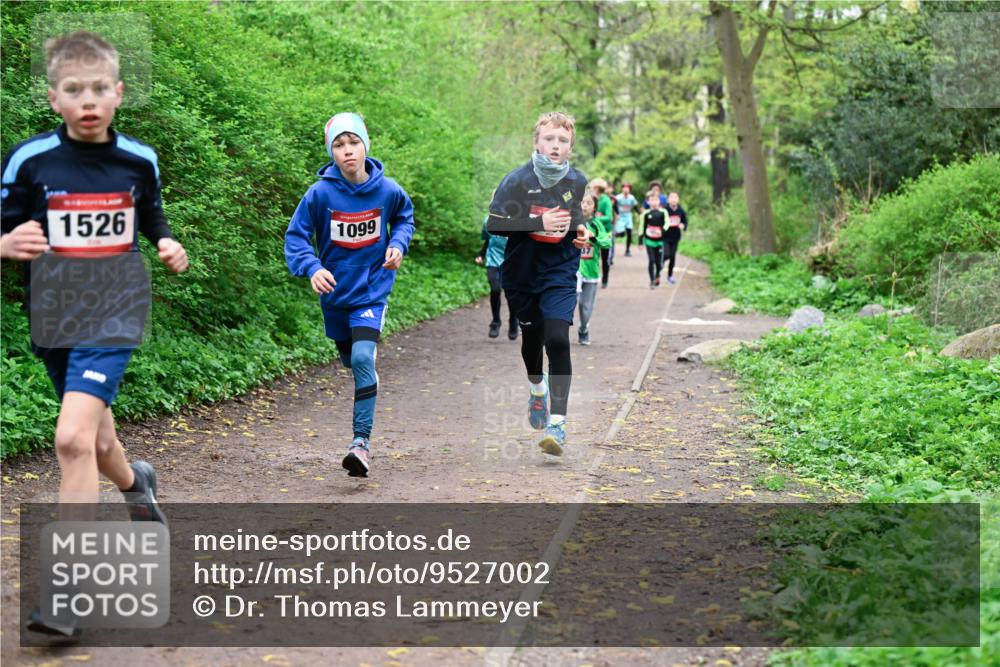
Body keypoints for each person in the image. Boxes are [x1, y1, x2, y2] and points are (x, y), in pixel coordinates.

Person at [1, 31, 188, 637]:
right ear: (54, 97)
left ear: (118, 93)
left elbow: (151, 208)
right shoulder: (29, 162)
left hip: (116, 309)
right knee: (99, 446)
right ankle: (139, 487)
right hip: (54, 316)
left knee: (71, 440)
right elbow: (4, 228)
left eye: (99, 89)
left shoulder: (139, 159)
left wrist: (163, 240)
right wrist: (7, 243)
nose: (88, 100)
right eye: (73, 89)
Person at [285, 112, 415, 478]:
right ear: (332, 152)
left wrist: (399, 245)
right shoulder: (320, 194)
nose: (347, 151)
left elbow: (405, 217)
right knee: (352, 360)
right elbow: (296, 236)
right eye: (339, 145)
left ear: (365, 146)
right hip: (336, 295)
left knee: (362, 358)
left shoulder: (387, 190)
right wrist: (312, 267)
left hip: (373, 291)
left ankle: (361, 443)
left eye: (353, 142)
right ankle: (365, 376)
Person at [486, 111, 592, 456]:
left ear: (570, 147)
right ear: (537, 142)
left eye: (563, 141)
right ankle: (536, 390)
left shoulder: (576, 181)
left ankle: (557, 425)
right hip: (521, 275)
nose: (555, 146)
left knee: (558, 340)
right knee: (531, 342)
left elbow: (575, 218)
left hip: (560, 272)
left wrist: (582, 233)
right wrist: (537, 221)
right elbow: (494, 225)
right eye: (549, 139)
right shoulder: (516, 180)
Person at [475, 206, 518, 340]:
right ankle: (495, 322)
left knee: (511, 294)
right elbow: (488, 240)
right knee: (495, 289)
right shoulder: (488, 221)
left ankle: (513, 322)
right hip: (493, 261)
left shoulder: (515, 222)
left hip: (510, 263)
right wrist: (481, 254)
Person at [576, 190, 611, 345]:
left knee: (585, 306)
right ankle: (559, 332)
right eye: (582, 202)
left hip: (591, 270)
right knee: (571, 299)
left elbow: (606, 242)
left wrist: (593, 237)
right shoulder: (572, 222)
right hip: (574, 269)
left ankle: (583, 329)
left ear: (594, 207)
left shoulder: (597, 224)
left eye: (588, 203)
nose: (584, 206)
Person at [639, 190, 668, 288]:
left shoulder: (663, 212)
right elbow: (641, 227)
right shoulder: (645, 214)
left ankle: (657, 275)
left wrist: (661, 231)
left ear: (659, 201)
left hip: (660, 241)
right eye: (652, 200)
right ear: (648, 202)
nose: (654, 202)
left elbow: (667, 224)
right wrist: (640, 241)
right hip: (649, 241)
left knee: (659, 263)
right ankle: (652, 281)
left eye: (656, 200)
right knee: (651, 260)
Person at [590, 178, 614, 288]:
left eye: (594, 187)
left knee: (605, 258)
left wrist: (595, 219)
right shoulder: (591, 198)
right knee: (593, 256)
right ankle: (593, 277)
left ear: (598, 188)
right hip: (593, 232)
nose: (592, 189)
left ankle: (605, 279)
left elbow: (609, 217)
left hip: (605, 233)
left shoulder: (606, 200)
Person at [663, 191, 689, 284]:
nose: (673, 199)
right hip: (665, 236)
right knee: (666, 255)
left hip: (675, 237)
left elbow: (685, 222)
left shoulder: (681, 211)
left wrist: (683, 226)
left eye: (675, 197)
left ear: (678, 200)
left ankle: (670, 276)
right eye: (671, 197)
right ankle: (659, 264)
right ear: (668, 200)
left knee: (672, 257)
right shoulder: (665, 210)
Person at [614, 182, 638, 257]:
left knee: (629, 233)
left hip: (628, 216)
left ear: (630, 190)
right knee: (620, 233)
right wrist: (616, 213)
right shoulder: (618, 197)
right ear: (622, 189)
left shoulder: (631, 198)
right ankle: (617, 235)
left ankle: (627, 250)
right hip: (620, 216)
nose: (626, 190)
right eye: (624, 188)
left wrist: (640, 213)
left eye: (628, 188)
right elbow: (614, 206)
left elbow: (635, 207)